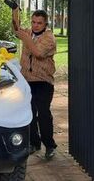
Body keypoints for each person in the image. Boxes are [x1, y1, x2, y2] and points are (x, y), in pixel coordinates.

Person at [14, 9, 58, 160]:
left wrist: (25, 37)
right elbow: (16, 29)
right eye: (33, 22)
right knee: (29, 114)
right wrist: (14, 11)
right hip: (27, 81)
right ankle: (34, 143)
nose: (36, 25)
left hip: (43, 82)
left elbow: (38, 52)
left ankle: (50, 145)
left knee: (43, 114)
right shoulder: (29, 33)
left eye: (39, 23)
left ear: (45, 23)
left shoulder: (49, 38)